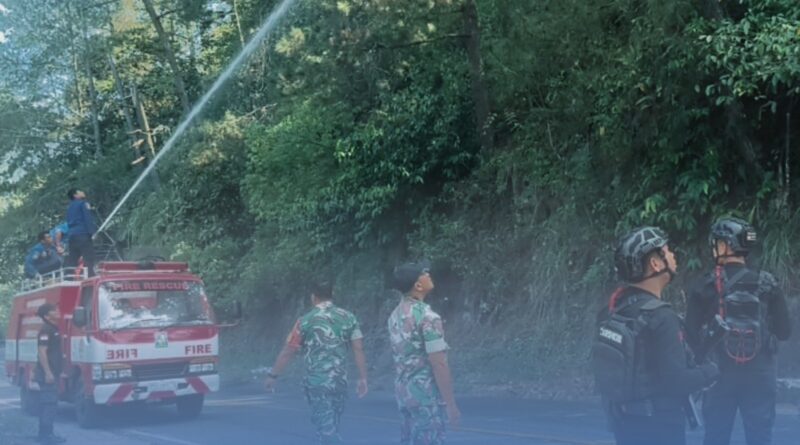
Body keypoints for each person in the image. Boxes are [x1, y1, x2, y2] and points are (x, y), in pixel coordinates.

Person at [594, 227, 719, 445]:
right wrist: (712, 371)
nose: (672, 255)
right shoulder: (661, 317)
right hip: (661, 427)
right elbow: (677, 382)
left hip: (623, 423)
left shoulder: (611, 311)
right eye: (667, 250)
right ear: (655, 263)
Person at [686, 217, 792, 445]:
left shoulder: (705, 285)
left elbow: (691, 334)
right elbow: (784, 331)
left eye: (717, 243)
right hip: (760, 376)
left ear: (726, 245)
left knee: (716, 437)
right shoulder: (768, 284)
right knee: (760, 437)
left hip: (718, 375)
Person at [264, 282, 368, 444]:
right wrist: (363, 378)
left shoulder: (305, 321)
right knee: (332, 425)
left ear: (313, 297)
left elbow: (289, 350)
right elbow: (358, 348)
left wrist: (273, 375)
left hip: (317, 383)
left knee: (326, 430)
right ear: (332, 294)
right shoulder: (348, 317)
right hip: (340, 382)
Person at [388, 262, 460, 445]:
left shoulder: (394, 316)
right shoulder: (428, 318)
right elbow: (439, 363)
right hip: (426, 397)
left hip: (404, 395)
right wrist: (451, 404)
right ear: (418, 285)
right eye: (424, 273)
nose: (428, 274)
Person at [36, 303, 66, 444]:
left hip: (53, 372)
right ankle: (46, 436)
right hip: (47, 374)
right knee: (49, 405)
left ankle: (45, 434)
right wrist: (48, 373)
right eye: (54, 310)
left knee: (49, 405)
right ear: (47, 316)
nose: (57, 311)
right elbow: (42, 351)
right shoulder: (46, 330)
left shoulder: (53, 328)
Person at [64, 188, 96, 277]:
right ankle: (91, 276)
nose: (83, 192)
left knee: (73, 258)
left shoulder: (70, 207)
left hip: (72, 235)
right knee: (88, 256)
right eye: (80, 191)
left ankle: (68, 277)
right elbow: (87, 218)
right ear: (75, 195)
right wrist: (92, 232)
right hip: (83, 233)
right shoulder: (83, 204)